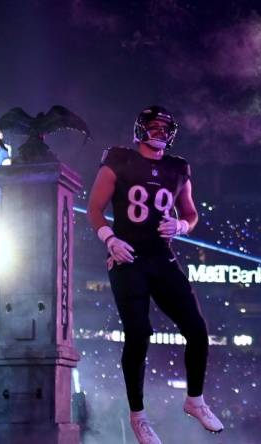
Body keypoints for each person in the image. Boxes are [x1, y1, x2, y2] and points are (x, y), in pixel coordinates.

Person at [87, 105, 223, 444]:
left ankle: (195, 400)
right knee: (139, 333)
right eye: (155, 127)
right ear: (140, 128)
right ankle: (139, 417)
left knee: (197, 329)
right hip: (127, 256)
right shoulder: (119, 159)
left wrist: (181, 225)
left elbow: (191, 214)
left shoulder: (178, 169)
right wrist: (110, 239)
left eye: (166, 128)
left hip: (161, 258)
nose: (160, 133)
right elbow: (94, 208)